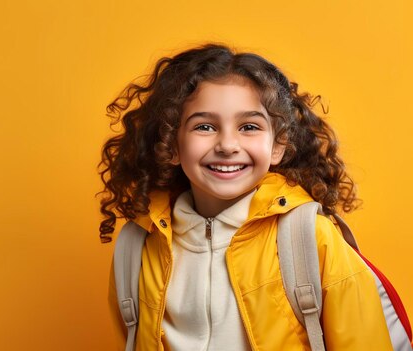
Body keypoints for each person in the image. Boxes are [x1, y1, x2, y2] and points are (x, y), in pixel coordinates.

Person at [98, 43, 393, 350]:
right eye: (205, 126)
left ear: (278, 145)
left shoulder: (310, 240)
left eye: (249, 126)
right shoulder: (137, 246)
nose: (227, 144)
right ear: (171, 145)